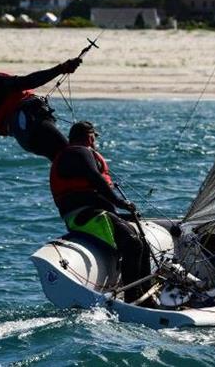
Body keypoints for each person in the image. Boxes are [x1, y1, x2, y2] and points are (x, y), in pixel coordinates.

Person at [49, 121, 151, 304]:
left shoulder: (75, 153)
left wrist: (119, 212)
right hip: (85, 216)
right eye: (94, 137)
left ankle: (148, 292)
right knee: (133, 243)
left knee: (142, 242)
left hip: (95, 214)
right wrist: (119, 202)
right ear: (89, 136)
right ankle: (133, 298)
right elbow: (95, 178)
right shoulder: (78, 152)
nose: (95, 141)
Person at [0, 50, 81, 160]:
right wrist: (61, 68)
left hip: (25, 138)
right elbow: (28, 82)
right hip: (29, 122)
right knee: (70, 153)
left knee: (63, 159)